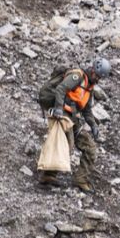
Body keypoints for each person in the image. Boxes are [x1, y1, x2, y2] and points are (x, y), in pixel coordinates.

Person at [37, 58, 111, 192]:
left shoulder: (89, 88)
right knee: (66, 143)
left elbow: (87, 110)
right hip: (63, 113)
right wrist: (59, 108)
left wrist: (93, 125)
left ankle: (81, 179)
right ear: (93, 70)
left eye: (100, 78)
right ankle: (48, 176)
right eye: (97, 76)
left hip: (75, 118)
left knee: (90, 147)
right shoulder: (77, 77)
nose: (98, 79)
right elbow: (61, 88)